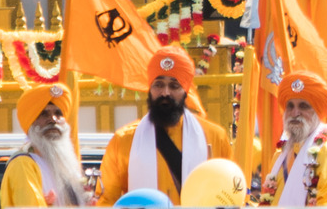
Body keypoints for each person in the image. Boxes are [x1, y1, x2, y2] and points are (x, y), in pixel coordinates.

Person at [97, 46, 232, 206]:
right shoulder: (124, 140)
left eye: (174, 86)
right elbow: (106, 201)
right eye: (158, 85)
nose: (165, 93)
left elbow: (231, 193)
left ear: (186, 91)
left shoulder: (214, 136)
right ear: (150, 89)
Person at [261, 71, 327, 206]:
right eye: (290, 106)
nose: (295, 113)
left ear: (318, 111)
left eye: (303, 106)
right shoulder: (280, 155)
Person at [0, 84, 86, 207]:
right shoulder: (23, 165)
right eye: (44, 114)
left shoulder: (67, 168)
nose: (53, 119)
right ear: (32, 123)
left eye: (58, 113)